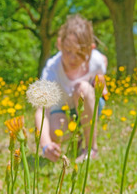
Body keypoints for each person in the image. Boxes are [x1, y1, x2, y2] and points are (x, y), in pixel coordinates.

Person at [35, 14, 108, 163]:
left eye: (80, 53)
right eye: (68, 51)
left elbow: (103, 62)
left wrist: (101, 83)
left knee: (83, 89)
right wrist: (45, 145)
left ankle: (91, 148)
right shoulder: (52, 70)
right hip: (63, 111)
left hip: (89, 104)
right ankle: (78, 137)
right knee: (54, 132)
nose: (72, 58)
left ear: (91, 48)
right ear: (59, 44)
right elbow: (42, 110)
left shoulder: (95, 60)